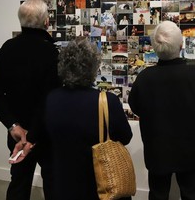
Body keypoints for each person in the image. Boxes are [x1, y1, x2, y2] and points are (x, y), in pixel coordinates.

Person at [128, 21, 195, 200]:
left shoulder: (145, 78)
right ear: (181, 45)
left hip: (157, 151)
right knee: (192, 194)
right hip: (191, 151)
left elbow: (135, 107)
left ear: (155, 48)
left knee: (157, 194)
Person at [0, 0, 60, 200]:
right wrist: (32, 136)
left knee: (18, 185)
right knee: (54, 186)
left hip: (18, 137)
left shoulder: (7, 49)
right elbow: (51, 101)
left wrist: (13, 126)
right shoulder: (52, 53)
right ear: (46, 22)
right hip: (46, 134)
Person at [45, 37, 133, 200]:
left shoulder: (52, 98)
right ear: (92, 67)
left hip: (64, 184)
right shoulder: (107, 100)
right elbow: (126, 137)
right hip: (100, 186)